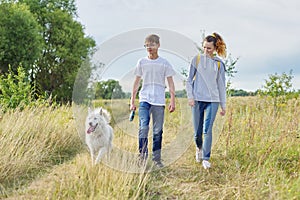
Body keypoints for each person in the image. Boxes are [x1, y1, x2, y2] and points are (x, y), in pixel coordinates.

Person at [130, 34, 176, 168]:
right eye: (147, 45)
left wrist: (172, 100)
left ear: (158, 45)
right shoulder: (141, 62)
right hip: (145, 99)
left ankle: (157, 160)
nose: (149, 47)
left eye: (152, 44)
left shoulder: (164, 63)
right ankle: (142, 158)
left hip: (159, 101)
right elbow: (136, 82)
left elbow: (171, 83)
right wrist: (132, 101)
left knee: (157, 131)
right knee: (143, 128)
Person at [186, 32, 227, 169]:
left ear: (215, 48)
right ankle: (199, 148)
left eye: (209, 48)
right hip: (197, 100)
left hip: (213, 100)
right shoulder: (196, 60)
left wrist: (223, 105)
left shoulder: (219, 64)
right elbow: (189, 81)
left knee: (207, 130)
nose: (206, 50)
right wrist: (190, 97)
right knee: (197, 132)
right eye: (204, 47)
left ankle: (206, 158)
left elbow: (221, 85)